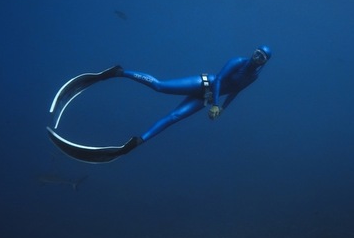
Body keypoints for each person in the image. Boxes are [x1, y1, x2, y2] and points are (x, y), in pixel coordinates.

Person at [47, 45, 272, 163]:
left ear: (265, 62)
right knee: (160, 86)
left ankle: (135, 143)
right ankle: (118, 72)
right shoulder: (237, 61)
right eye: (256, 52)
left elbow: (236, 92)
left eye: (262, 57)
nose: (257, 57)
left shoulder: (254, 77)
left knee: (173, 119)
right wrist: (215, 103)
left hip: (207, 99)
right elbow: (221, 79)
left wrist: (221, 107)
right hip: (204, 83)